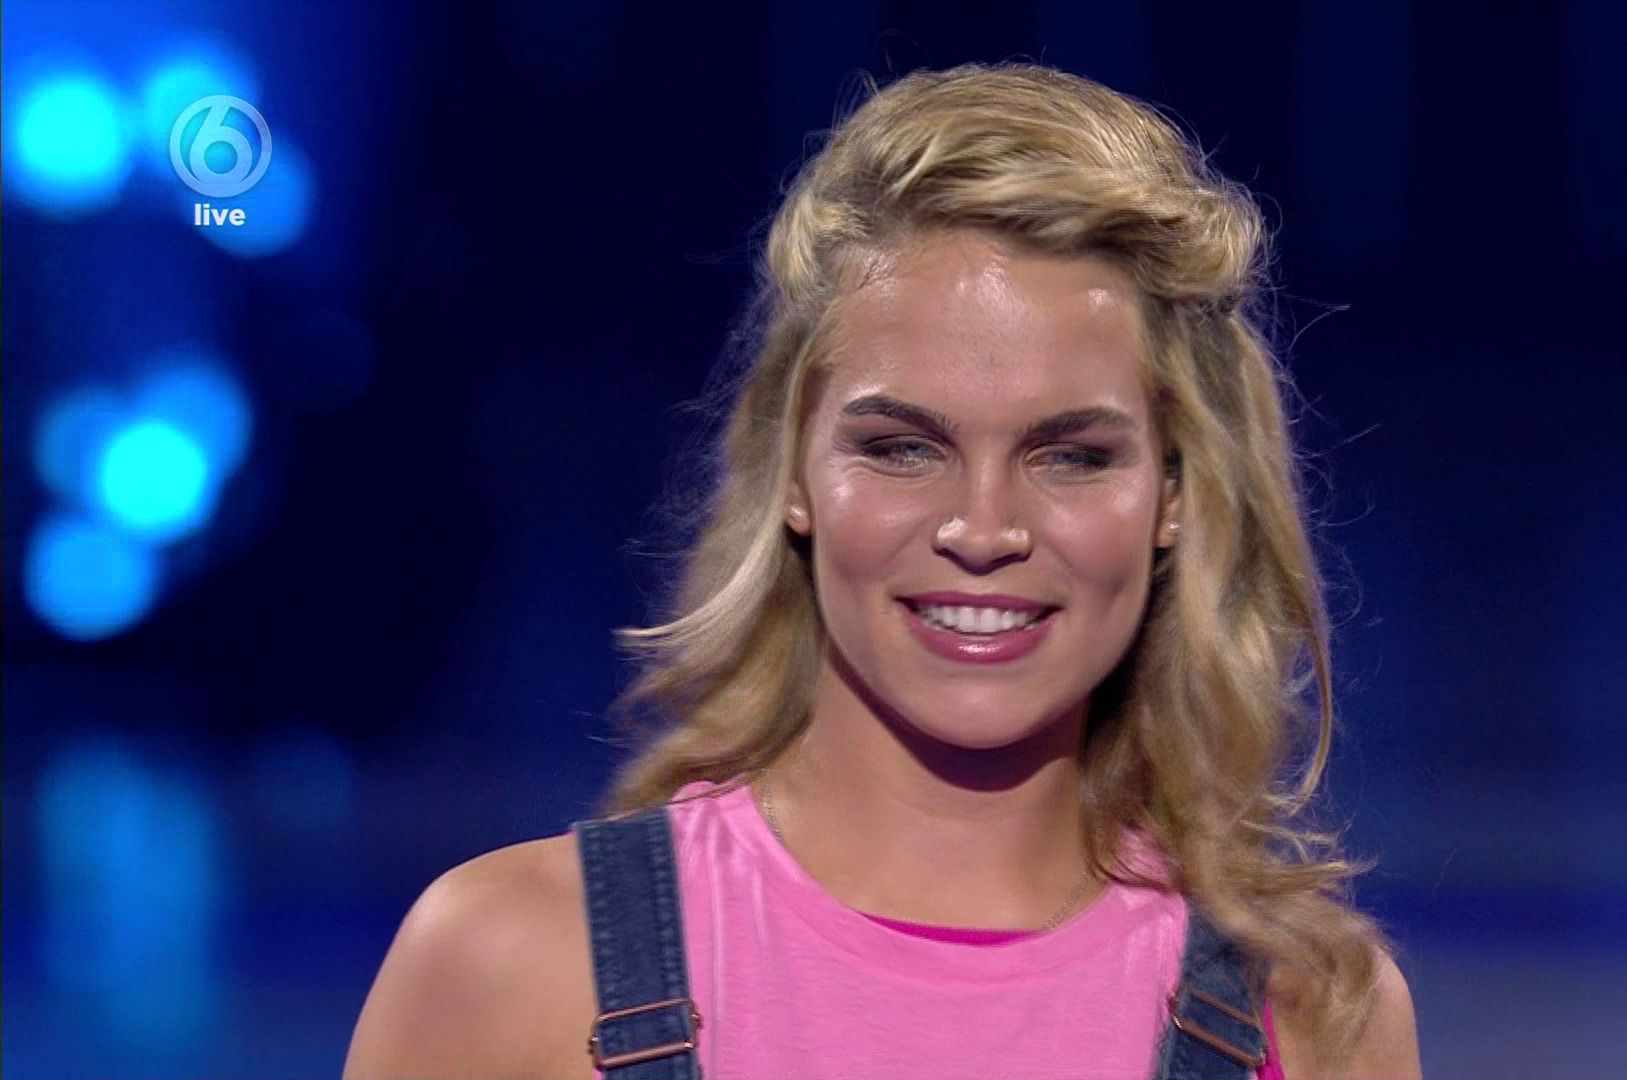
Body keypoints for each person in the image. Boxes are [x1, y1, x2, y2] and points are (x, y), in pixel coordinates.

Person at [345, 62, 1420, 1080]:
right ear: (793, 472)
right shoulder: (512, 964)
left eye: (1071, 456)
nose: (982, 529)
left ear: (1174, 495)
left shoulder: (1317, 1013)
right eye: (902, 447)